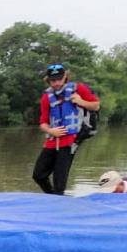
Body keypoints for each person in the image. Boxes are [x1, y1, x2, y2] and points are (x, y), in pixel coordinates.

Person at [32, 64, 100, 195]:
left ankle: (57, 201)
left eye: (59, 79)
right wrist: (51, 131)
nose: (56, 83)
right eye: (53, 80)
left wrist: (81, 102)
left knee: (59, 183)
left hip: (71, 141)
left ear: (65, 77)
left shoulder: (79, 88)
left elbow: (96, 106)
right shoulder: (47, 96)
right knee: (38, 175)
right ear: (48, 80)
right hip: (52, 140)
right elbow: (43, 123)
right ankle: (54, 198)